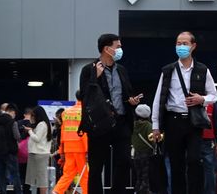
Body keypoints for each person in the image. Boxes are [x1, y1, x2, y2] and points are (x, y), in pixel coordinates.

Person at [150, 31, 217, 194]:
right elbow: (159, 98)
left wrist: (202, 99)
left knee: (194, 160)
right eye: (178, 43)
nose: (181, 46)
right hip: (173, 121)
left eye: (185, 43)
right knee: (176, 163)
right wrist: (156, 126)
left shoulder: (203, 69)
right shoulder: (168, 70)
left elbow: (214, 95)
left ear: (193, 46)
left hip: (194, 122)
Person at [78, 33, 144, 194]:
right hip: (100, 124)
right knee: (96, 166)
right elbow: (85, 96)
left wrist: (131, 100)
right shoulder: (89, 69)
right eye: (118, 46)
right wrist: (95, 78)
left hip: (121, 122)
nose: (120, 49)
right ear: (107, 49)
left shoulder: (121, 70)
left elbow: (126, 92)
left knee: (125, 161)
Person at [54, 92, 87, 194]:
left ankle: (56, 192)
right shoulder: (85, 111)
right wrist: (87, 150)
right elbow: (84, 133)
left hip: (68, 147)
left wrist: (61, 151)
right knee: (84, 174)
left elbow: (63, 132)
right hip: (80, 147)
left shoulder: (66, 112)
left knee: (68, 174)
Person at [0, 104, 24, 194]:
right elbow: (17, 136)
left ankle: (1, 192)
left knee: (0, 175)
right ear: (12, 112)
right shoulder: (13, 122)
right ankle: (18, 192)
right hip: (10, 152)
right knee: (15, 174)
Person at [130, 104, 157, 194]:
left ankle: (137, 190)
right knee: (146, 175)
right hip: (147, 153)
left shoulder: (133, 125)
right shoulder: (148, 125)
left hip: (136, 153)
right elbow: (152, 140)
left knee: (139, 175)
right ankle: (145, 191)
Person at [27, 106, 53, 194]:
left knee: (41, 178)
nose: (33, 117)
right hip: (40, 153)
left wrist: (30, 131)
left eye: (33, 115)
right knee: (40, 177)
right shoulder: (46, 124)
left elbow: (37, 138)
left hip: (39, 154)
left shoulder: (42, 124)